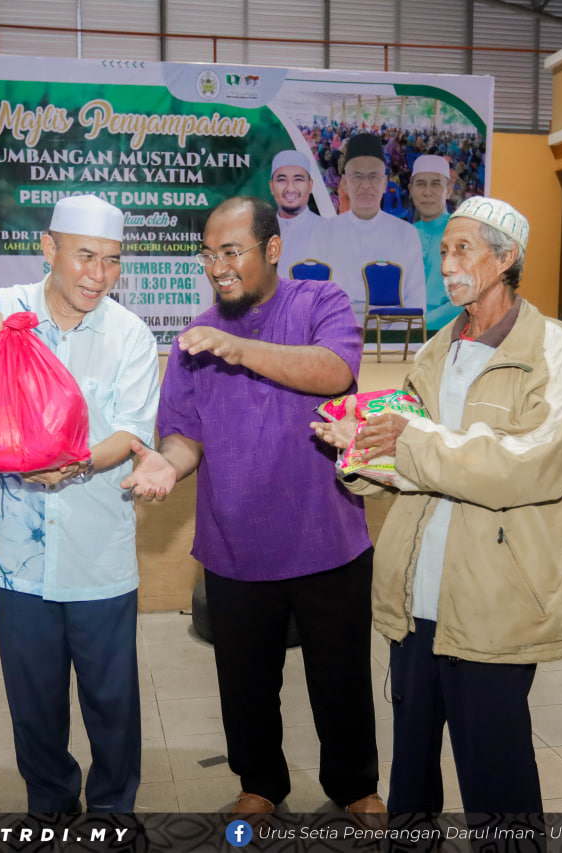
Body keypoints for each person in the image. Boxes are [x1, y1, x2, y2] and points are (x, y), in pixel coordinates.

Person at [312, 197, 562, 835]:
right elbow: (411, 460)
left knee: (496, 773)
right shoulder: (437, 349)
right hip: (417, 593)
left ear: (507, 257)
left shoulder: (552, 346)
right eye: (443, 250)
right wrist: (359, 447)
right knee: (411, 772)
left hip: (493, 595)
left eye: (462, 248)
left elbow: (534, 462)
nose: (447, 264)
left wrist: (408, 440)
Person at [123, 196, 383, 817]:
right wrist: (168, 464)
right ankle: (260, 784)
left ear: (272, 249)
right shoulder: (195, 340)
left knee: (341, 676)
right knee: (245, 683)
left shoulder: (319, 303)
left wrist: (237, 347)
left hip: (326, 538)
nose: (217, 267)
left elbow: (334, 370)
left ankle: (355, 787)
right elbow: (184, 434)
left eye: (231, 252)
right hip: (234, 544)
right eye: (208, 254)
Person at [0, 195, 159, 814]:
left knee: (112, 697)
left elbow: (132, 430)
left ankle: (114, 810)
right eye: (85, 256)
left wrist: (79, 464)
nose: (99, 275)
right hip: (14, 551)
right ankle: (50, 804)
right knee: (33, 699)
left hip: (96, 546)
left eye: (113, 260)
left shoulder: (130, 335)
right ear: (49, 248)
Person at [310, 133, 426, 320]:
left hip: (392, 333)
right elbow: (314, 301)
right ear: (345, 183)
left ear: (385, 183)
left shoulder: (406, 234)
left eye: (373, 176)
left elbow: (416, 303)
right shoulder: (323, 233)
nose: (365, 185)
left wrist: (389, 335)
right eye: (357, 176)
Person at [410, 154, 461, 331]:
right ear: (411, 190)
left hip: (444, 334)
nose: (427, 192)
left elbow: (463, 300)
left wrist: (417, 325)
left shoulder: (461, 233)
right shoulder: (406, 234)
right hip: (402, 331)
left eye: (436, 184)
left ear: (449, 190)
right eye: (420, 184)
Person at [269, 150, 324, 277]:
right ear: (272, 187)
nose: (290, 188)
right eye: (282, 180)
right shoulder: (259, 231)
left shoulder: (327, 231)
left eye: (298, 180)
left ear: (310, 185)